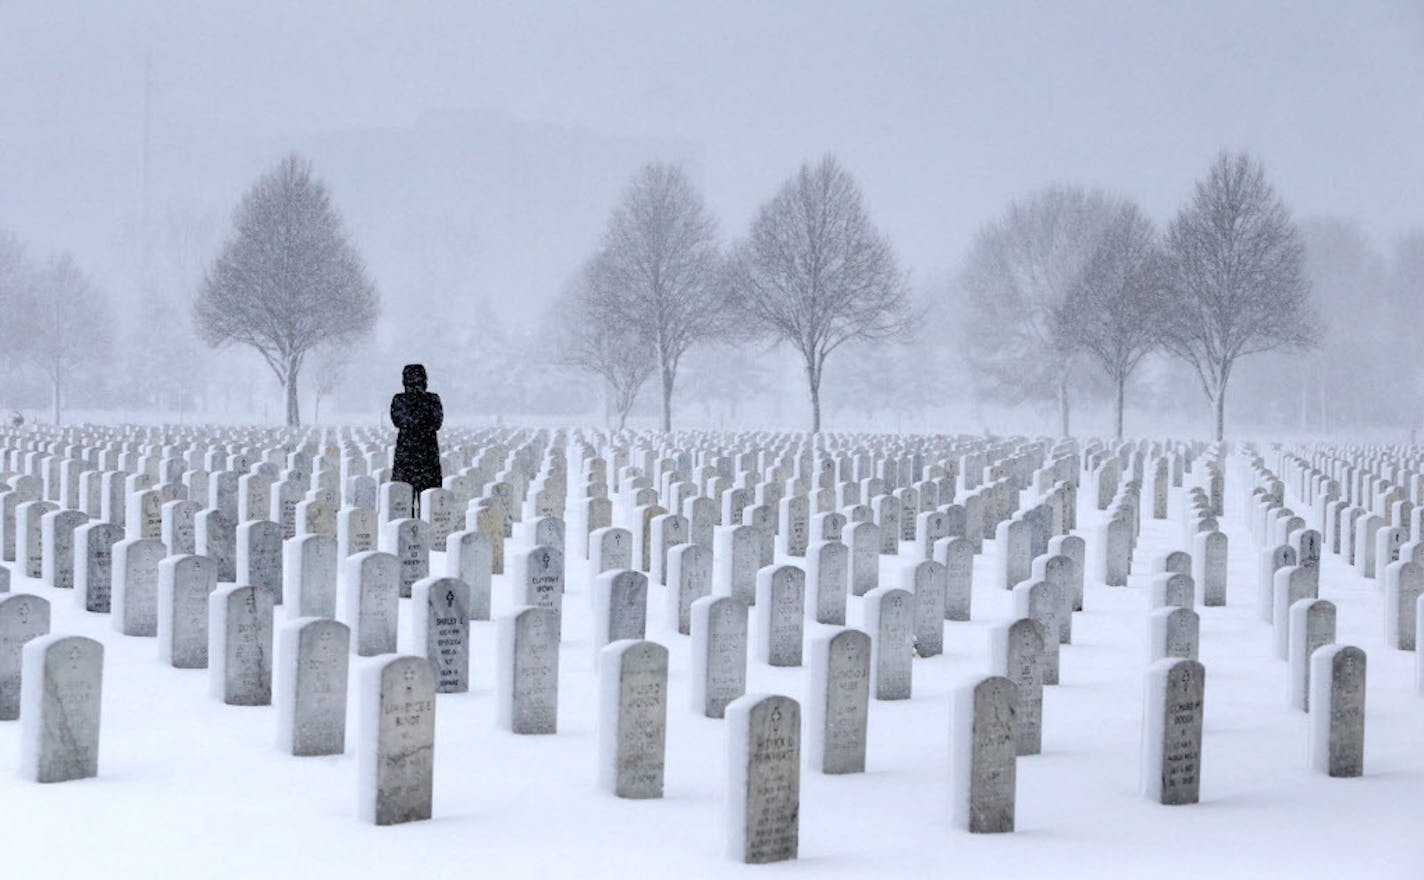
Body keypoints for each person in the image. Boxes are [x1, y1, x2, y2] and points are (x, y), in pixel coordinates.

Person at [391, 364, 443, 516]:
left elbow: (398, 421)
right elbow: (436, 423)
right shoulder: (432, 400)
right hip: (427, 453)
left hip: (406, 454)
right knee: (428, 500)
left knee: (404, 500)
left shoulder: (399, 400)